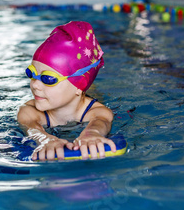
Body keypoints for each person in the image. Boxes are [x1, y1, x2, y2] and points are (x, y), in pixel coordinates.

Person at [17, 21, 116, 161]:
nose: (35, 85)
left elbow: (101, 121)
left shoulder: (99, 111)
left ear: (79, 84)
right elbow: (32, 127)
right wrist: (44, 139)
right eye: (31, 74)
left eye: (48, 79)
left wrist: (92, 133)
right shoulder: (29, 110)